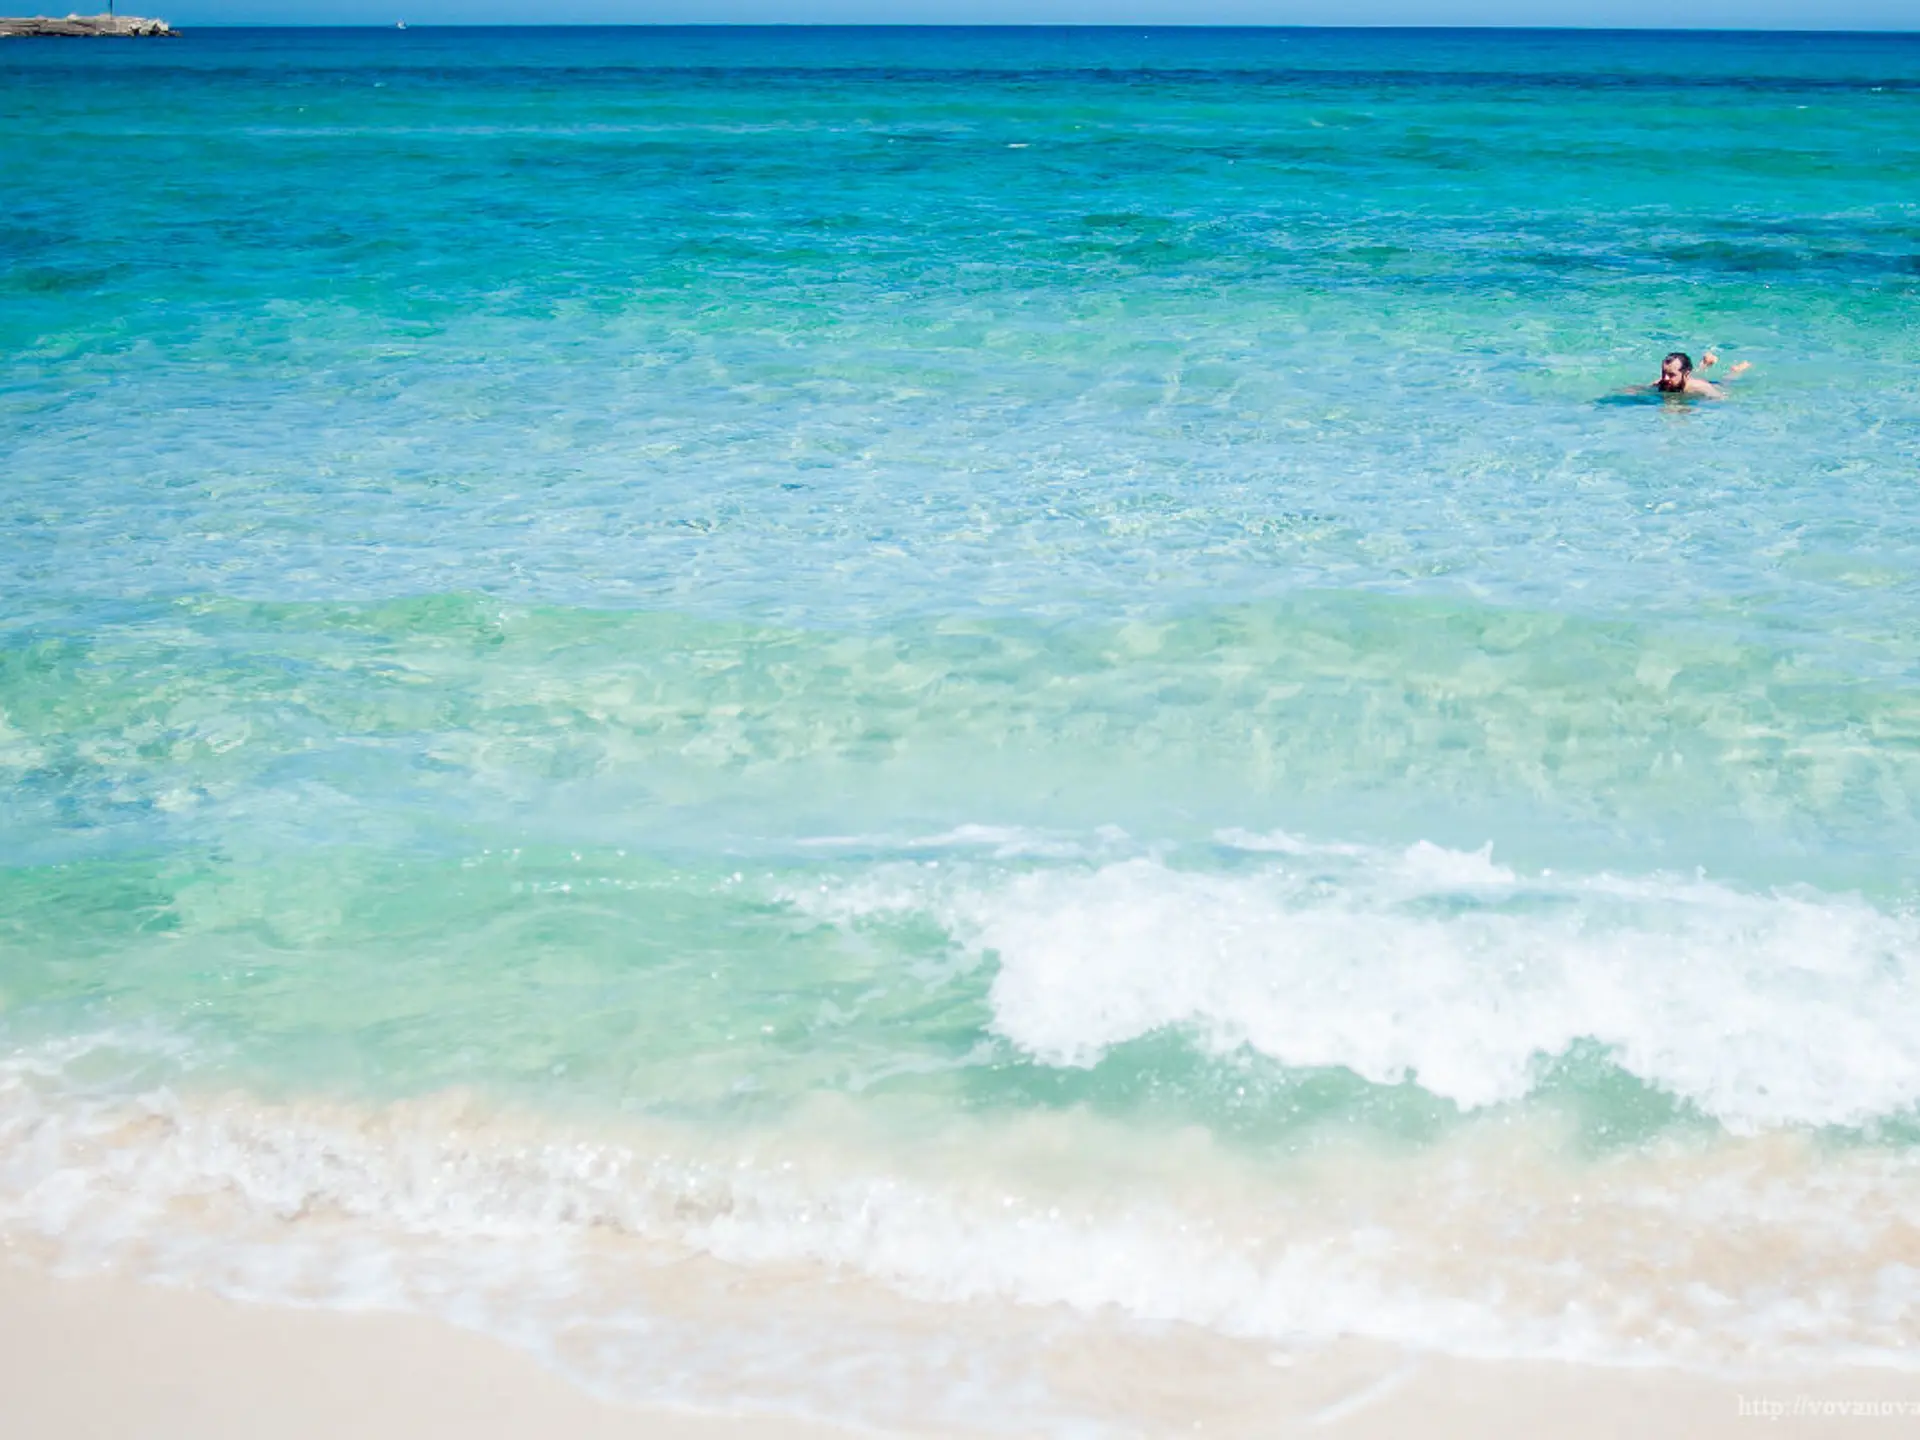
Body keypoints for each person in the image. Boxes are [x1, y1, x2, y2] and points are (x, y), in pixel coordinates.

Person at [1652, 350, 1750, 398]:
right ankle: (1704, 364)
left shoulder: (1701, 387)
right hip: (1685, 378)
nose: (1665, 378)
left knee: (1726, 381)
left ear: (1686, 374)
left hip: (1715, 385)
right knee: (1693, 375)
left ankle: (1736, 370)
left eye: (1671, 375)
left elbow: (1722, 398)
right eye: (1663, 373)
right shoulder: (1661, 383)